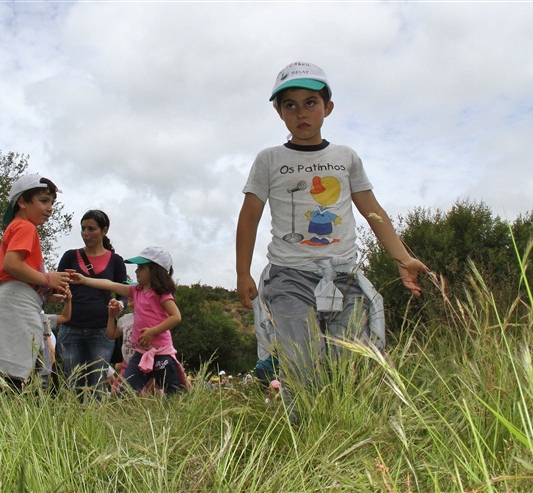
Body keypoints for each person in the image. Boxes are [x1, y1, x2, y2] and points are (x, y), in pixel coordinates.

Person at [235, 62, 429, 421]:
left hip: (344, 277)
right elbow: (249, 217)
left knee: (348, 362)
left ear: (328, 108)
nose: (301, 113)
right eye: (289, 105)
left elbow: (372, 210)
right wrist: (242, 273)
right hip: (290, 276)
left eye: (311, 102)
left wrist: (403, 258)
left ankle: (341, 433)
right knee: (301, 359)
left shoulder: (345, 157)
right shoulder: (269, 161)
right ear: (279, 113)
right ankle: (301, 435)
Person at [0, 174, 70, 392]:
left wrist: (44, 293)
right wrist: (48, 279)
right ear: (22, 201)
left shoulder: (17, 227)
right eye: (44, 201)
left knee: (1, 374)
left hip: (14, 302)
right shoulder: (26, 227)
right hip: (14, 307)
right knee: (8, 378)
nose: (49, 208)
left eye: (52, 203)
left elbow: (16, 273)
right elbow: (12, 264)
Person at [69, 246, 188, 396]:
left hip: (161, 353)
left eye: (141, 267)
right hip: (140, 353)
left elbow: (176, 316)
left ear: (155, 270)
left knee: (173, 393)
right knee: (124, 392)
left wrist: (153, 332)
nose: (137, 271)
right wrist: (84, 280)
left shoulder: (161, 294)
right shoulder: (135, 291)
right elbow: (111, 285)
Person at [56, 210, 127, 398]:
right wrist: (60, 293)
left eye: (91, 229)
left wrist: (119, 305)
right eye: (83, 228)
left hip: (101, 330)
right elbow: (57, 285)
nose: (85, 233)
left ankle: (96, 424)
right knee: (71, 385)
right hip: (71, 327)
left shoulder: (116, 261)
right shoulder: (70, 256)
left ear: (104, 231)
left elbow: (124, 293)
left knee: (97, 385)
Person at [38, 291, 72, 392]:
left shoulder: (42, 318)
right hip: (43, 371)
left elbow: (65, 317)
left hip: (39, 372)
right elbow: (65, 317)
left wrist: (68, 301)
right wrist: (68, 301)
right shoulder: (41, 318)